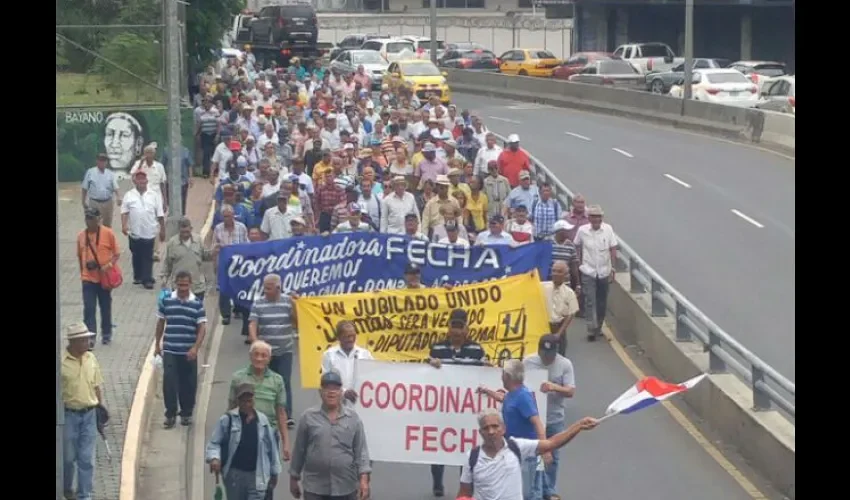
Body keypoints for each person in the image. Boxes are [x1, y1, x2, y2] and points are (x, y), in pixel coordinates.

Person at [457, 409, 598, 500]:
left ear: (504, 429)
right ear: (481, 432)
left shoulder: (516, 447)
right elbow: (464, 493)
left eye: (495, 426)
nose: (491, 431)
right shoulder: (472, 457)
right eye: (486, 428)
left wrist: (579, 426)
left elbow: (551, 443)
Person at [427, 309, 487, 497]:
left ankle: (465, 486)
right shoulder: (437, 348)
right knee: (438, 446)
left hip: (466, 409)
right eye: (454, 326)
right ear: (448, 328)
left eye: (460, 327)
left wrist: (487, 367)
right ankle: (437, 482)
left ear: (467, 329)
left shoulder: (477, 349)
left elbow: (483, 373)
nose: (457, 331)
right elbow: (425, 373)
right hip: (442, 407)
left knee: (466, 449)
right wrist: (430, 364)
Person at [289, 371, 372, 500]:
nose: (331, 392)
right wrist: (294, 478)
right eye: (327, 388)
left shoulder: (353, 418)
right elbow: (299, 450)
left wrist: (364, 480)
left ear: (340, 392)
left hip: (345, 486)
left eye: (335, 388)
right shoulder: (308, 417)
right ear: (320, 392)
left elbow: (361, 452)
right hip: (315, 488)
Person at [478, 360, 550, 500]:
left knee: (526, 493)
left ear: (508, 377)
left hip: (526, 453)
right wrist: (487, 391)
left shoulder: (523, 396)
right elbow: (505, 399)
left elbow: (537, 423)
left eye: (503, 373)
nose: (501, 376)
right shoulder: (513, 394)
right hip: (515, 450)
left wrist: (546, 449)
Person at [229, 340, 292, 497]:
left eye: (263, 355)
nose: (259, 359)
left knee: (268, 481)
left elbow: (281, 411)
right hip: (243, 436)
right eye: (256, 355)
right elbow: (230, 408)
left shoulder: (277, 380)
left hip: (268, 437)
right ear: (250, 356)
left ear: (269, 359)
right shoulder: (238, 378)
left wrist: (286, 443)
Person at [206, 383, 282, 500]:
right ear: (238, 401)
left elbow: (271, 448)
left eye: (249, 401)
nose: (246, 404)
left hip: (257, 475)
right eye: (243, 401)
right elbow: (214, 443)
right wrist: (215, 458)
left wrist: (274, 472)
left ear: (254, 401)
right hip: (234, 475)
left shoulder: (262, 421)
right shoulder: (227, 420)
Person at [522, 335, 576, 500]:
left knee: (552, 458)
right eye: (544, 353)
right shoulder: (528, 362)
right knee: (533, 457)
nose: (547, 357)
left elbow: (570, 391)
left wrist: (554, 387)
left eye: (550, 354)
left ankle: (549, 491)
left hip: (554, 418)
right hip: (533, 417)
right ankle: (535, 490)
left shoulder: (565, 365)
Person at [155, 270, 208, 428]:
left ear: (190, 284)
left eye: (185, 285)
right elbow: (160, 323)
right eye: (180, 285)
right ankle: (170, 414)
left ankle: (186, 413)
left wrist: (195, 348)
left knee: (188, 384)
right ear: (175, 284)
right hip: (170, 349)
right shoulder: (167, 301)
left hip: (188, 351)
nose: (183, 288)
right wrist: (158, 344)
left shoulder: (197, 304)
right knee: (169, 383)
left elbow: (202, 328)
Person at [61, 322, 105, 500]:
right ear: (74, 342)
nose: (89, 343)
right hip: (68, 415)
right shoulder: (61, 363)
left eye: (88, 339)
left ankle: (84, 495)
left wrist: (100, 410)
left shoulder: (91, 359)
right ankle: (66, 488)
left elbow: (97, 385)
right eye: (85, 340)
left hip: (89, 414)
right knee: (68, 458)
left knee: (86, 459)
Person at [248, 274, 298, 428]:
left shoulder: (288, 302)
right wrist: (255, 341)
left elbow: (297, 322)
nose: (265, 291)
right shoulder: (258, 303)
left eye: (269, 288)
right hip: (265, 353)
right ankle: (265, 413)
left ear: (278, 288)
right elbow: (252, 324)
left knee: (283, 382)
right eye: (264, 287)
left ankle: (286, 414)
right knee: (264, 382)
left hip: (284, 351)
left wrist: (296, 304)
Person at [573, 204, 618, 341]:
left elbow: (613, 249)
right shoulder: (582, 231)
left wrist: (613, 268)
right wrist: (580, 263)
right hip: (589, 271)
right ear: (589, 218)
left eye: (598, 217)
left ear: (601, 218)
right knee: (590, 300)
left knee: (602, 302)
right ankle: (591, 329)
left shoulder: (608, 230)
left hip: (604, 271)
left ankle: (598, 327)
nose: (596, 219)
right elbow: (577, 245)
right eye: (593, 217)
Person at [77, 207, 120, 346]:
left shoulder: (108, 233)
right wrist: (83, 272)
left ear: (98, 219)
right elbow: (79, 257)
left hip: (104, 278)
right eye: (87, 219)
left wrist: (107, 266)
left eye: (92, 219)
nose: (89, 222)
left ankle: (106, 333)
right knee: (89, 308)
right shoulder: (81, 236)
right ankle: (90, 336)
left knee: (105, 306)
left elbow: (117, 253)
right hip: (88, 279)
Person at [121, 170, 165, 289]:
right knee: (136, 253)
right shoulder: (129, 195)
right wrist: (124, 225)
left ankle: (147, 279)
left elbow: (160, 214)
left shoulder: (154, 195)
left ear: (146, 181)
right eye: (138, 179)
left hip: (149, 230)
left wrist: (162, 230)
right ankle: (138, 276)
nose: (141, 181)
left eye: (143, 179)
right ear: (135, 181)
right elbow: (124, 212)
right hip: (134, 231)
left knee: (147, 255)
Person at [320, 320, 374, 407]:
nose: (351, 339)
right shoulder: (329, 355)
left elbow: (373, 376)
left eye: (353, 336)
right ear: (338, 337)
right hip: (338, 406)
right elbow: (326, 381)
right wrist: (344, 392)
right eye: (347, 336)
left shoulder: (365, 354)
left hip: (361, 404)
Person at [161, 217, 213, 301]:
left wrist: (213, 253)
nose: (185, 234)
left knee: (196, 312)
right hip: (179, 288)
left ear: (191, 229)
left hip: (197, 287)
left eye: (187, 231)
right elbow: (168, 262)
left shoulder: (198, 240)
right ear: (179, 230)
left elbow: (204, 256)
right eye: (182, 232)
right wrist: (164, 278)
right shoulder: (172, 243)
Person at [541, 261, 579, 354]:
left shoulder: (569, 293)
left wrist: (559, 333)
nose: (555, 274)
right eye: (553, 271)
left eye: (559, 271)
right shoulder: (542, 287)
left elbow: (571, 314)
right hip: (544, 328)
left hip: (559, 329)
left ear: (565, 275)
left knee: (560, 358)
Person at [81, 152, 120, 228]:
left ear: (106, 162)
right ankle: (94, 239)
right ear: (97, 161)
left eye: (104, 160)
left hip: (108, 202)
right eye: (100, 160)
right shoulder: (90, 172)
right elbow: (84, 187)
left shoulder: (110, 173)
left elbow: (116, 187)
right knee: (93, 224)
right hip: (94, 202)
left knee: (107, 225)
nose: (102, 162)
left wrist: (119, 197)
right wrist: (83, 201)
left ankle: (106, 239)